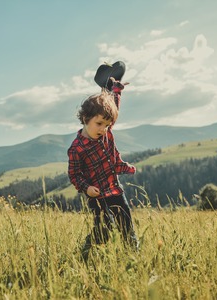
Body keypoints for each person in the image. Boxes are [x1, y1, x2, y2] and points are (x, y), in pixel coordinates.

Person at [67, 77, 139, 262]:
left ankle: (133, 256)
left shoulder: (105, 130)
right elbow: (74, 175)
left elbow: (112, 106)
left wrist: (117, 90)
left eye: (107, 125)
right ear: (86, 119)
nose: (103, 129)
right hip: (96, 196)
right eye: (99, 124)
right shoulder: (77, 149)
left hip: (114, 188)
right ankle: (85, 254)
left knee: (126, 223)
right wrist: (86, 188)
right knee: (104, 229)